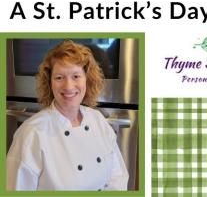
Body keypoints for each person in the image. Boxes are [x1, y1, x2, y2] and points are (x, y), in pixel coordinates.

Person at [7, 40, 129, 191]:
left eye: (76, 76)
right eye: (59, 77)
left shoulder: (98, 121)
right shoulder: (31, 133)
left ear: (87, 79)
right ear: (49, 82)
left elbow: (117, 177)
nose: (68, 86)